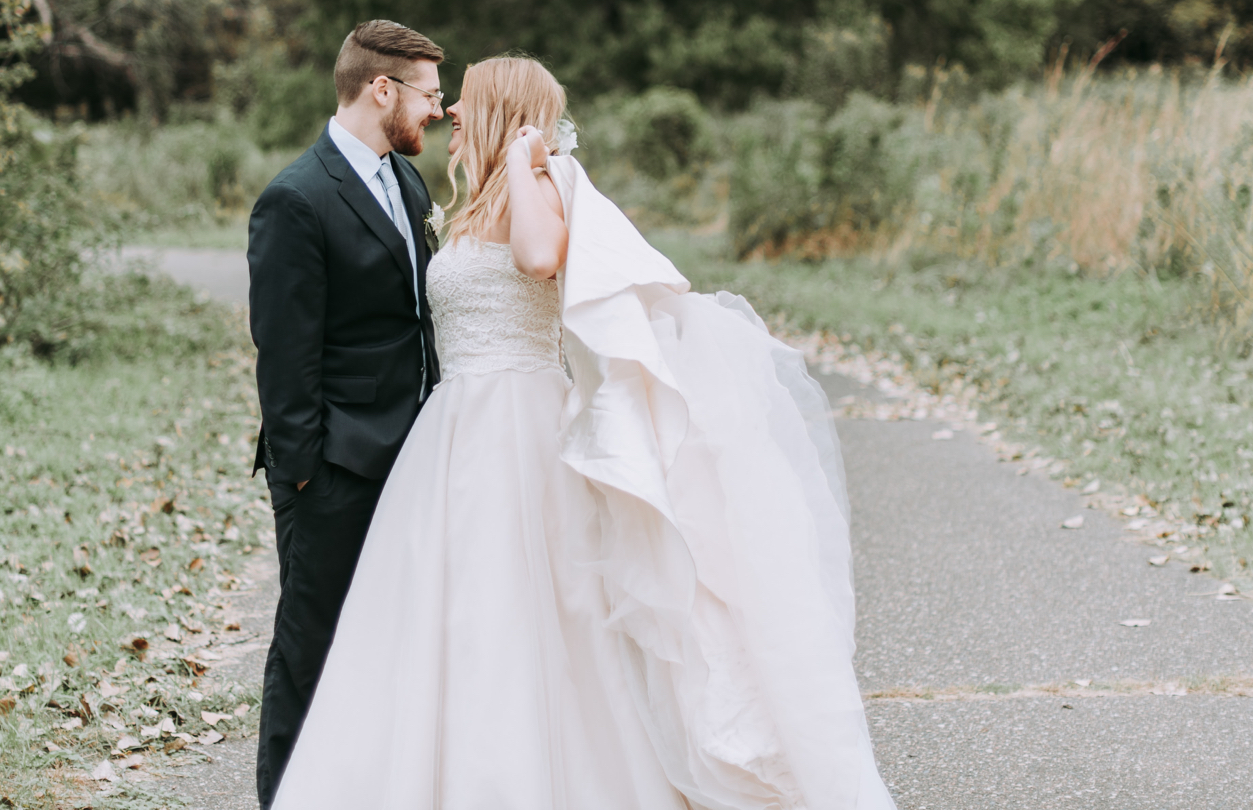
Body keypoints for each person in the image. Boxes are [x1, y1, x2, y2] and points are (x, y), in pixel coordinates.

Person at [271, 55, 893, 810]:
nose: (454, 112)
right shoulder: (464, 198)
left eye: (467, 100)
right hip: (454, 430)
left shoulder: (535, 186)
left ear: (502, 109)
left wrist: (529, 158)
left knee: (530, 608)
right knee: (453, 612)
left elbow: (538, 258)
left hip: (519, 424)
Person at [246, 19, 447, 808]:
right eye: (429, 93)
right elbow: (284, 354)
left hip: (413, 458)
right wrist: (303, 476)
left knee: (390, 645)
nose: (437, 108)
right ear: (382, 88)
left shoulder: (407, 181)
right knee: (310, 648)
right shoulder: (294, 199)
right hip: (331, 470)